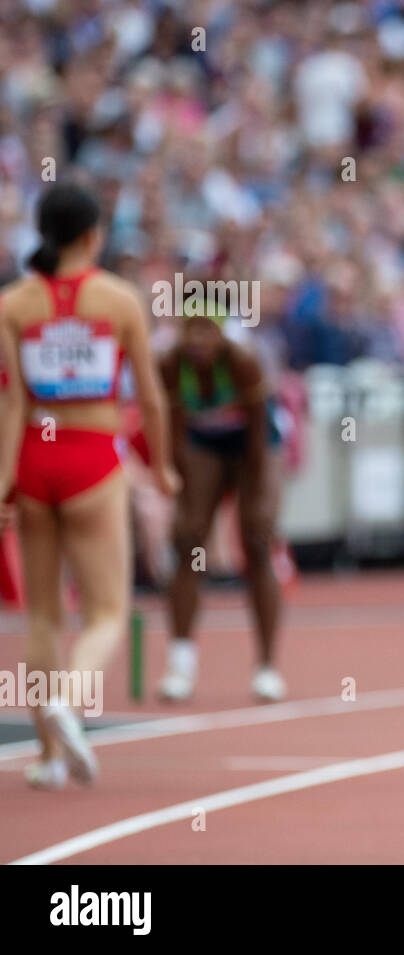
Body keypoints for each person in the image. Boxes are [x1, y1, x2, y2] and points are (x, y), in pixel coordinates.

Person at [0, 183, 176, 789]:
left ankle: (49, 757)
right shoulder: (118, 298)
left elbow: (11, 401)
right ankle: (69, 702)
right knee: (108, 609)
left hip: (32, 460)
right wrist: (164, 468)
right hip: (92, 458)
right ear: (91, 235)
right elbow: (150, 397)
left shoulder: (14, 304)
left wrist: (4, 481)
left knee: (43, 613)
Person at [155, 304, 286, 703]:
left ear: (220, 330)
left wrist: (260, 499)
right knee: (188, 541)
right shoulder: (172, 363)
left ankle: (266, 667)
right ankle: (181, 663)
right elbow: (175, 432)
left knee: (257, 543)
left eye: (206, 330)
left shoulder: (243, 361)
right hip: (203, 445)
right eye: (189, 330)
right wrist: (184, 494)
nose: (198, 340)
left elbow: (259, 437)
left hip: (252, 447)